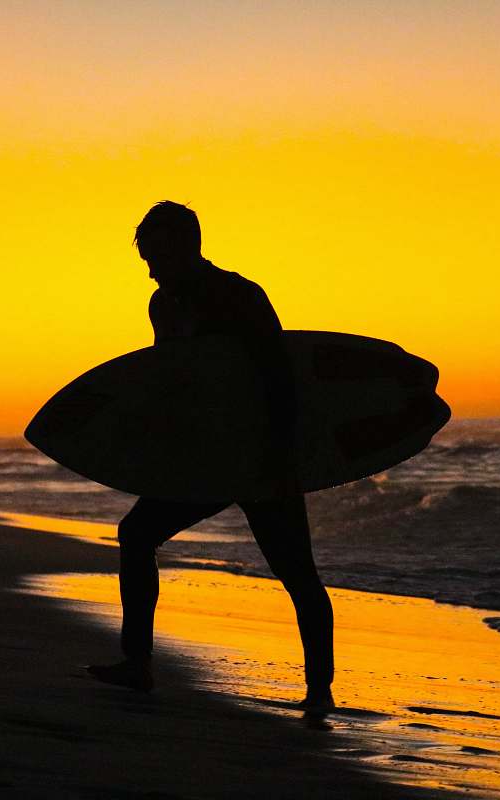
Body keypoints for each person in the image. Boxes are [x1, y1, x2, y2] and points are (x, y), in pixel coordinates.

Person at [86, 201, 335, 712]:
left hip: (258, 456)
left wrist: (282, 458)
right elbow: (171, 382)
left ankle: (319, 691)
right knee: (136, 533)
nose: (150, 269)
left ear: (185, 247)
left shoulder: (240, 296)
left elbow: (280, 379)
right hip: (201, 461)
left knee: (296, 573)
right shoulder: (162, 305)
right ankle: (137, 664)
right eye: (146, 259)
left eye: (156, 256)